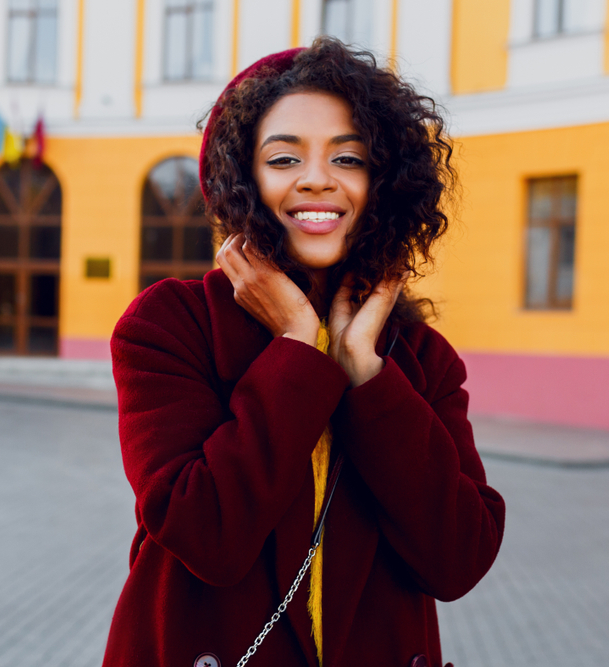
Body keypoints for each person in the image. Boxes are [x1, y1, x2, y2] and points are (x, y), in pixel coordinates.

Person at [102, 38, 505, 667]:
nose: (317, 178)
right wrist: (297, 347)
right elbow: (207, 534)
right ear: (244, 179)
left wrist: (367, 376)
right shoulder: (170, 324)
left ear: (383, 183)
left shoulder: (422, 357)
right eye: (285, 157)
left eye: (349, 157)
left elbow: (458, 561)